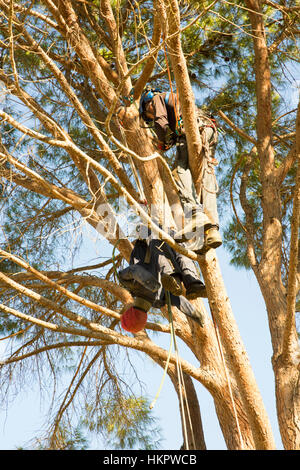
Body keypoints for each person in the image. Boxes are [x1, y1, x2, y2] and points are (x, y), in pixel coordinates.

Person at [139, 86, 222, 254]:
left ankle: (195, 214)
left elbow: (161, 123)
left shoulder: (157, 99)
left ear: (147, 104)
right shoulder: (173, 100)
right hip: (209, 129)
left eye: (148, 116)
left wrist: (162, 142)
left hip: (194, 129)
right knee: (205, 175)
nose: (151, 117)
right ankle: (211, 231)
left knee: (179, 170)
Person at [119, 237, 206, 333]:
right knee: (174, 249)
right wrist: (151, 284)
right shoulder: (132, 285)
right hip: (152, 240)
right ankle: (189, 282)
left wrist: (196, 315)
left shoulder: (158, 300)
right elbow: (133, 270)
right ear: (130, 312)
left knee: (180, 253)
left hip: (167, 254)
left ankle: (191, 283)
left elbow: (178, 300)